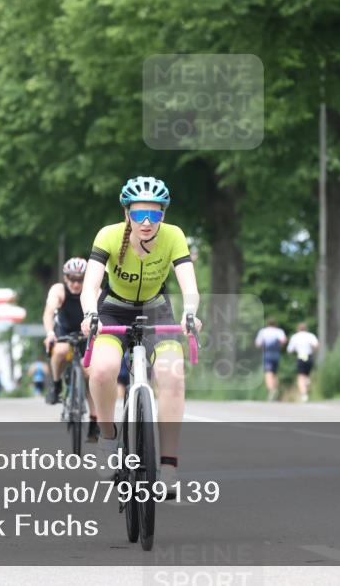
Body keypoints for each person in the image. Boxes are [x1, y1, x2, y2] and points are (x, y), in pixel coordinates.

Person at [80, 176, 201, 490]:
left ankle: (169, 466)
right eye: (138, 215)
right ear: (126, 214)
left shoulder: (173, 236)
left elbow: (189, 285)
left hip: (156, 308)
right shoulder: (108, 235)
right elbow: (91, 285)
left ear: (164, 215)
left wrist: (190, 313)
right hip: (112, 309)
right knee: (103, 371)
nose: (146, 222)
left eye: (155, 215)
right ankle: (108, 440)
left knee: (172, 376)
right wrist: (90, 313)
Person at [43, 257, 100, 442]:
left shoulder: (93, 290)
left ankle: (94, 421)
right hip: (65, 332)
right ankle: (56, 383)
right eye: (72, 279)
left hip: (87, 333)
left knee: (90, 374)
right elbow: (49, 311)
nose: (76, 284)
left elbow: (102, 311)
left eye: (80, 279)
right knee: (60, 351)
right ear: (66, 278)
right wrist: (50, 333)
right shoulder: (58, 290)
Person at [254, 319, 287, 401]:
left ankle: (271, 390)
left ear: (267, 324)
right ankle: (276, 389)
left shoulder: (263, 331)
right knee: (275, 373)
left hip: (267, 353)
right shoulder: (279, 331)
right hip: (276, 353)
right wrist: (280, 347)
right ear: (275, 324)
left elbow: (258, 344)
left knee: (268, 373)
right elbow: (284, 340)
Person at [287, 323, 319, 403]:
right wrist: (313, 350)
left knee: (301, 377)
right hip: (309, 356)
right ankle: (307, 382)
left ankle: (304, 395)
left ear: (298, 329)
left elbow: (290, 350)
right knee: (307, 375)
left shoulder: (295, 337)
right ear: (306, 329)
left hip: (301, 356)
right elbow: (317, 345)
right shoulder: (310, 335)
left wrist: (291, 354)